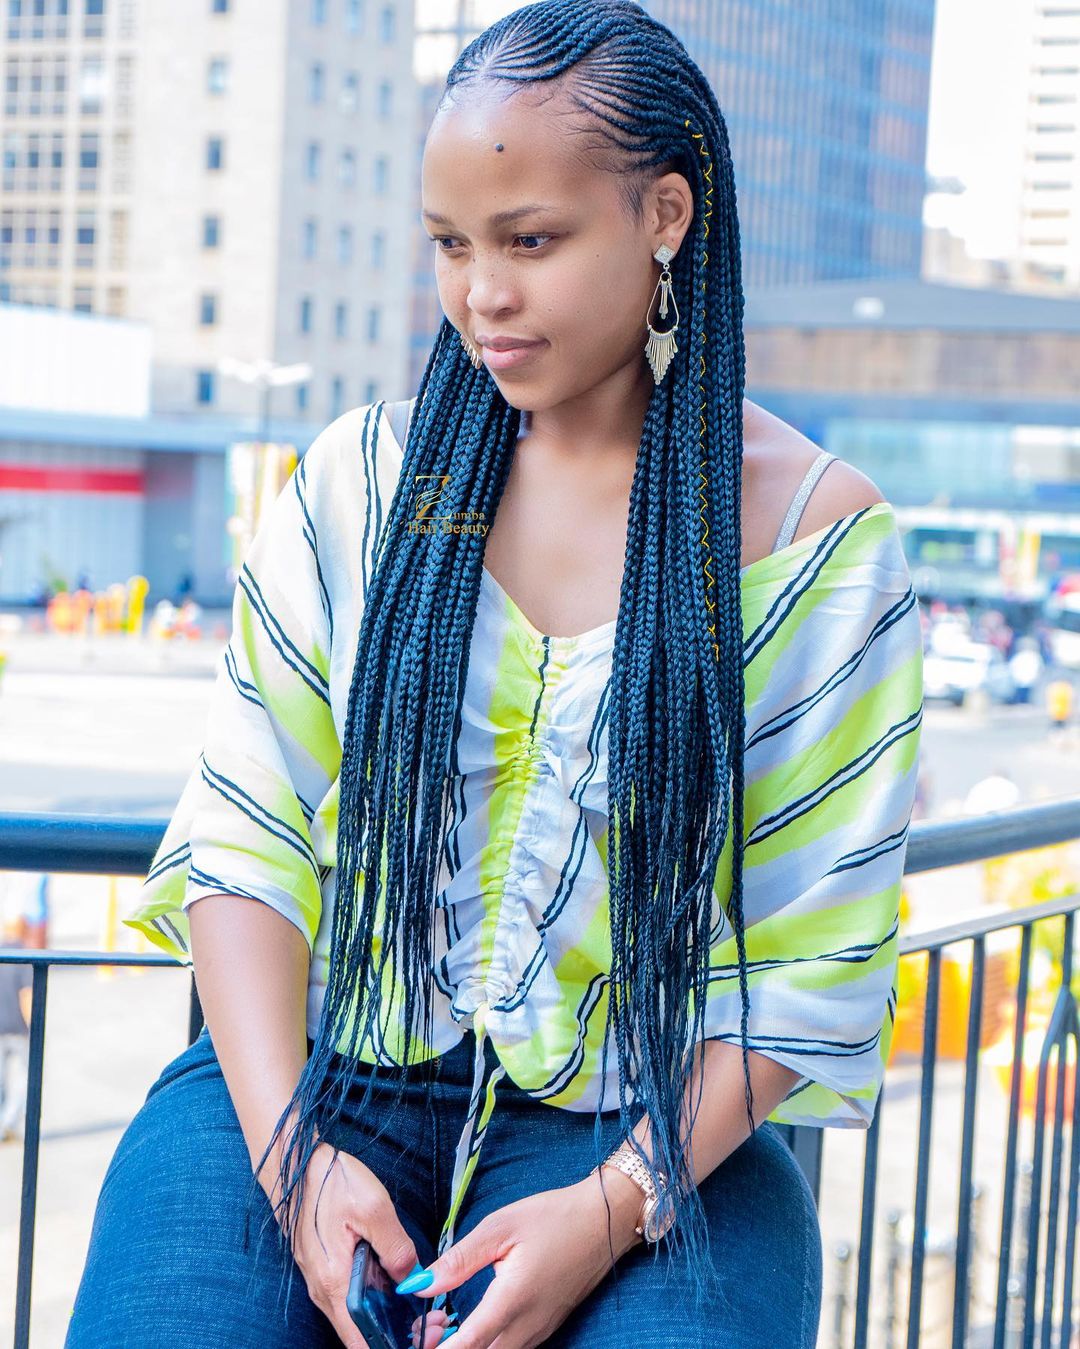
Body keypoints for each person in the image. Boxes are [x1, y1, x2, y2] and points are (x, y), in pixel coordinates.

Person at [66, 5, 924, 1347]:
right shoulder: (364, 480)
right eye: (451, 244)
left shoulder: (820, 541)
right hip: (315, 1079)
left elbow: (815, 955)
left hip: (647, 1125)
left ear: (666, 215)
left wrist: (607, 1209)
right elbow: (245, 835)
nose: (481, 294)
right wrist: (293, 1160)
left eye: (529, 240)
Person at [0, 926, 32, 1144]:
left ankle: (3, 1124)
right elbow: (26, 995)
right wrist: (33, 1028)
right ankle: (8, 1121)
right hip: (19, 1029)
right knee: (26, 1080)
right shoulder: (24, 955)